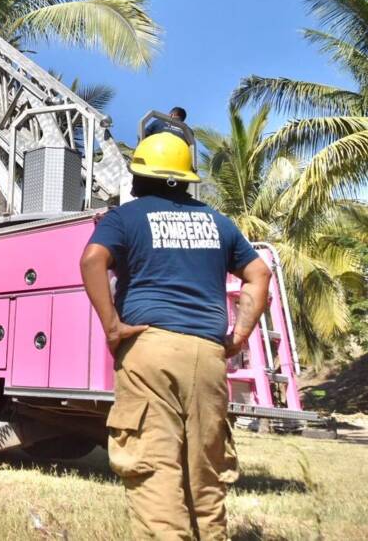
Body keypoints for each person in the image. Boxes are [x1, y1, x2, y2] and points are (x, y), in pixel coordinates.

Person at [80, 132, 272, 540]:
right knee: (205, 474)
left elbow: (92, 260)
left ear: (141, 177)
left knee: (154, 469)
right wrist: (237, 337)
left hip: (151, 351)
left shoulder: (125, 217)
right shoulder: (217, 221)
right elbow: (260, 274)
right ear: (184, 178)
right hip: (207, 354)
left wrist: (112, 327)